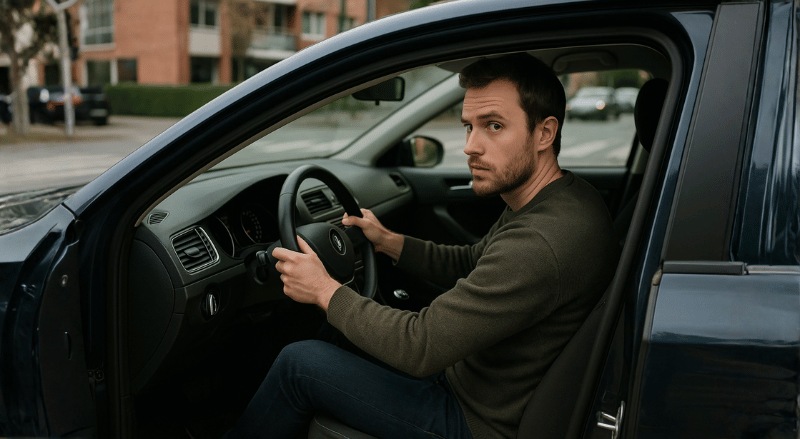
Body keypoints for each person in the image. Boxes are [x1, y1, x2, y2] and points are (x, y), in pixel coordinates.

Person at [228, 53, 619, 438]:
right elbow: (472, 262)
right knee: (336, 335)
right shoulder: (561, 198)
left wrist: (324, 290)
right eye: (469, 126)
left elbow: (421, 345)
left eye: (494, 126)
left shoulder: (539, 242)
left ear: (545, 133)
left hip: (474, 420)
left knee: (299, 364)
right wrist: (390, 242)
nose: (470, 146)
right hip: (472, 379)